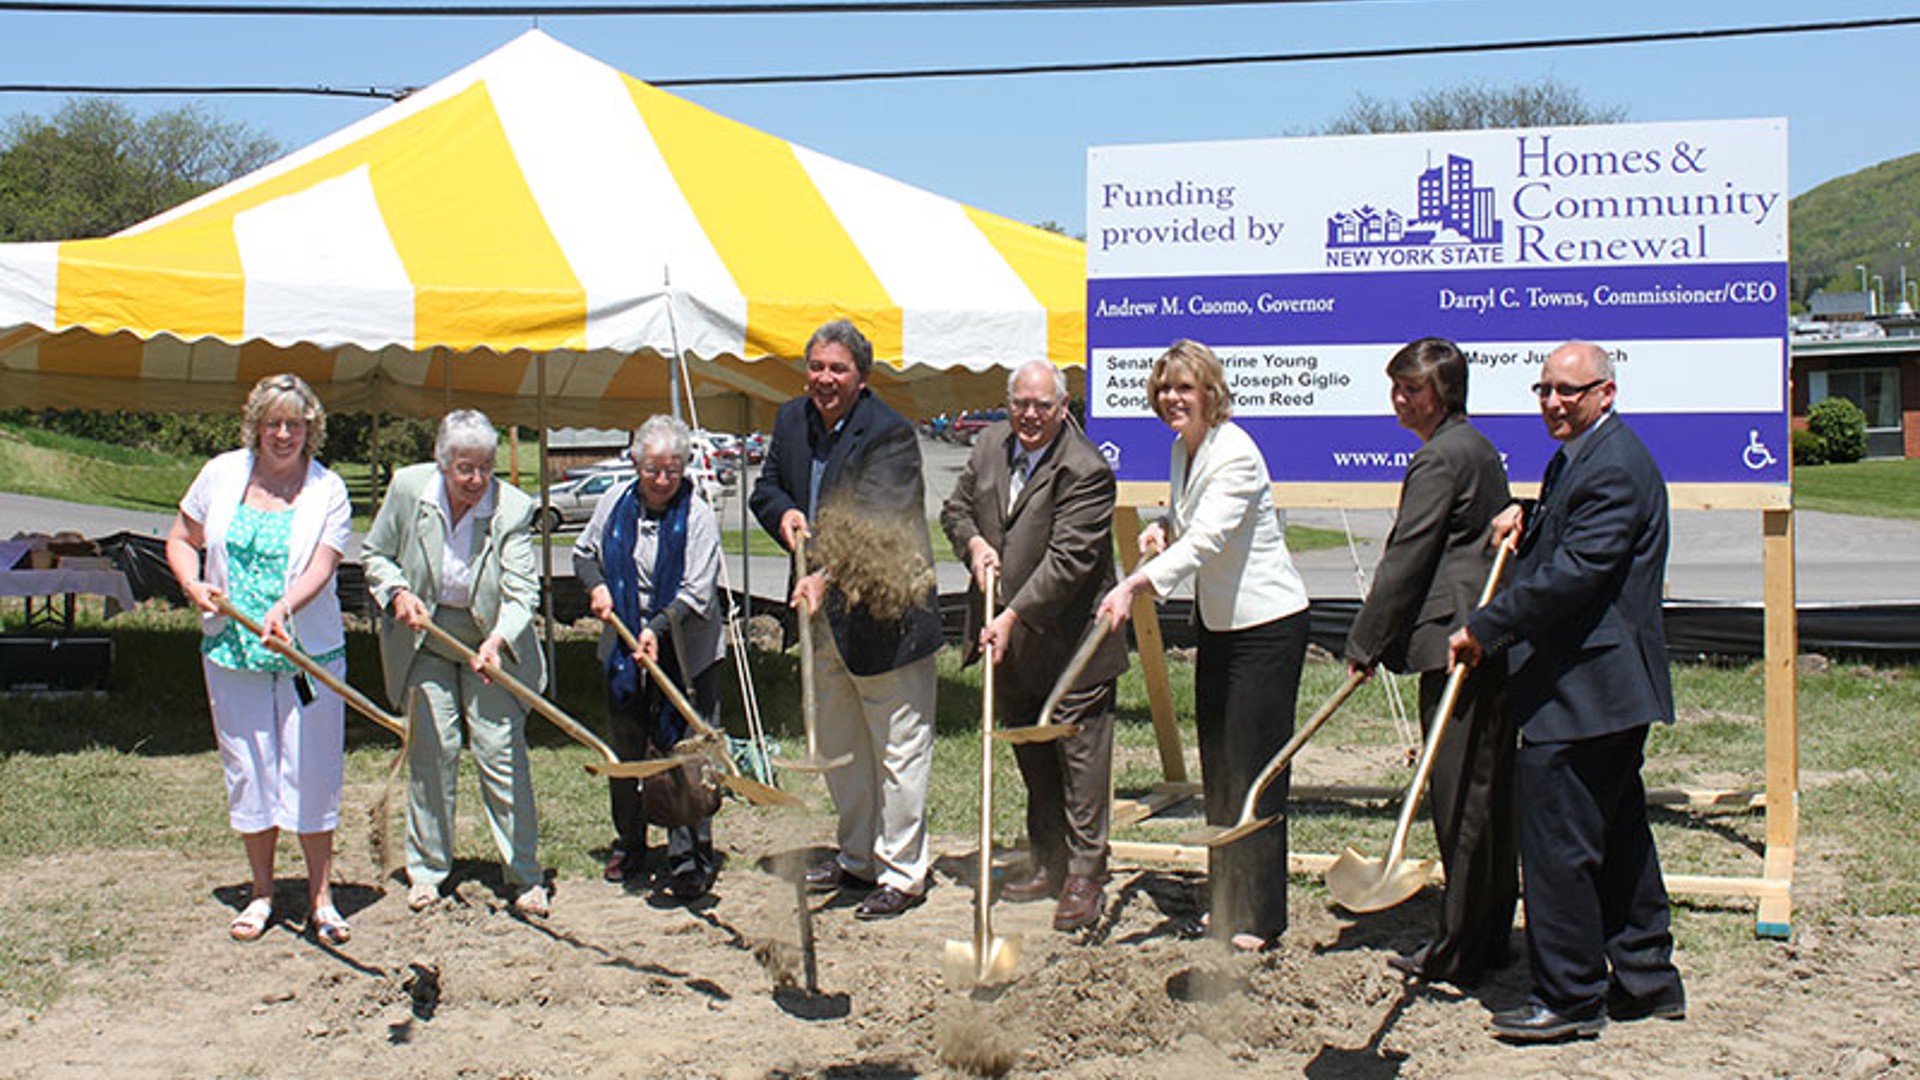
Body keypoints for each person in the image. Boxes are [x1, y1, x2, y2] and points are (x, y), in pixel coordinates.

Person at [1449, 340, 1687, 1042]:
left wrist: (1485, 627)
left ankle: (1571, 996)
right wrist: (1529, 515)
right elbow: (1568, 537)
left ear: (1605, 394)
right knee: (1616, 839)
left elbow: (1579, 573)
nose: (1554, 402)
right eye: (1545, 389)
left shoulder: (1614, 467)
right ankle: (1646, 978)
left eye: (1570, 391)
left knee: (1557, 846)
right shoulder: (1581, 457)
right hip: (1595, 686)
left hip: (1589, 690)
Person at [1097, 340, 1309, 952]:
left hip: (1268, 629)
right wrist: (1163, 525)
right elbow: (1188, 521)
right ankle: (1226, 902)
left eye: (1184, 388)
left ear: (1210, 392)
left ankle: (1260, 918)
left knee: (1255, 773)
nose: (1172, 399)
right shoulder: (1180, 450)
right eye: (1164, 388)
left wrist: (1139, 580)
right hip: (1219, 627)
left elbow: (1211, 538)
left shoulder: (1235, 453)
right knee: (1219, 765)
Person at [750, 318, 942, 920]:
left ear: (862, 378)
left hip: (886, 614)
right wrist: (783, 517)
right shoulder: (790, 419)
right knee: (842, 745)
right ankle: (859, 858)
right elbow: (768, 488)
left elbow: (875, 524)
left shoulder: (890, 436)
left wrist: (823, 573)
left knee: (897, 749)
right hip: (821, 618)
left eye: (837, 369)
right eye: (816, 367)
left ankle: (904, 872)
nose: (824, 379)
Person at [1343, 337, 1517, 986]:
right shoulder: (1473, 446)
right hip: (1487, 635)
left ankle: (1460, 946)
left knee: (1459, 797)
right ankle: (1489, 935)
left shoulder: (1440, 459)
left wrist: (1365, 643)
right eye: (1395, 386)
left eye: (1411, 389)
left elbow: (1407, 557)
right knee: (1487, 791)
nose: (1399, 399)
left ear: (1442, 394)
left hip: (1457, 645)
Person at [165, 373, 353, 945]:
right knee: (250, 770)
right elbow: (180, 538)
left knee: (312, 769)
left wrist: (283, 609)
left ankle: (322, 896)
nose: (282, 434)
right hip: (232, 648)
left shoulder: (329, 489)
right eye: (273, 423)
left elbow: (323, 566)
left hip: (303, 651)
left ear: (310, 429)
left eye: (294, 424)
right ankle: (263, 892)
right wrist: (192, 584)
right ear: (256, 425)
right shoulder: (221, 474)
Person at [940, 359, 1128, 933]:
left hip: (1072, 643)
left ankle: (1085, 874)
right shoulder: (992, 445)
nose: (1029, 415)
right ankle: (1049, 859)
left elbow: (1070, 561)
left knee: (1079, 760)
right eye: (1020, 403)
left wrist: (1014, 614)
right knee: (1032, 752)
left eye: (1042, 406)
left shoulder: (1087, 468)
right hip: (1010, 645)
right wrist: (973, 544)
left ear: (1063, 408)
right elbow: (957, 509)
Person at [361, 409, 549, 919]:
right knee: (433, 747)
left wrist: (497, 641)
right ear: (442, 463)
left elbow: (521, 590)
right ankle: (426, 871)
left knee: (499, 747)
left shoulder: (511, 508)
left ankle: (525, 875)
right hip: (424, 638)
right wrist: (396, 592)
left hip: (490, 642)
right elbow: (375, 554)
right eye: (464, 468)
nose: (476, 479)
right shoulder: (408, 489)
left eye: (485, 467)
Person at [574, 414, 727, 900]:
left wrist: (655, 629)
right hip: (624, 649)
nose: (663, 480)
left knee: (686, 751)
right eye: (653, 469)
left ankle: (689, 853)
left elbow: (696, 590)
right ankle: (631, 842)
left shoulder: (697, 514)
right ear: (636, 464)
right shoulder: (613, 504)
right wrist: (597, 587)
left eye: (673, 469)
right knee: (628, 746)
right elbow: (584, 554)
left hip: (687, 647)